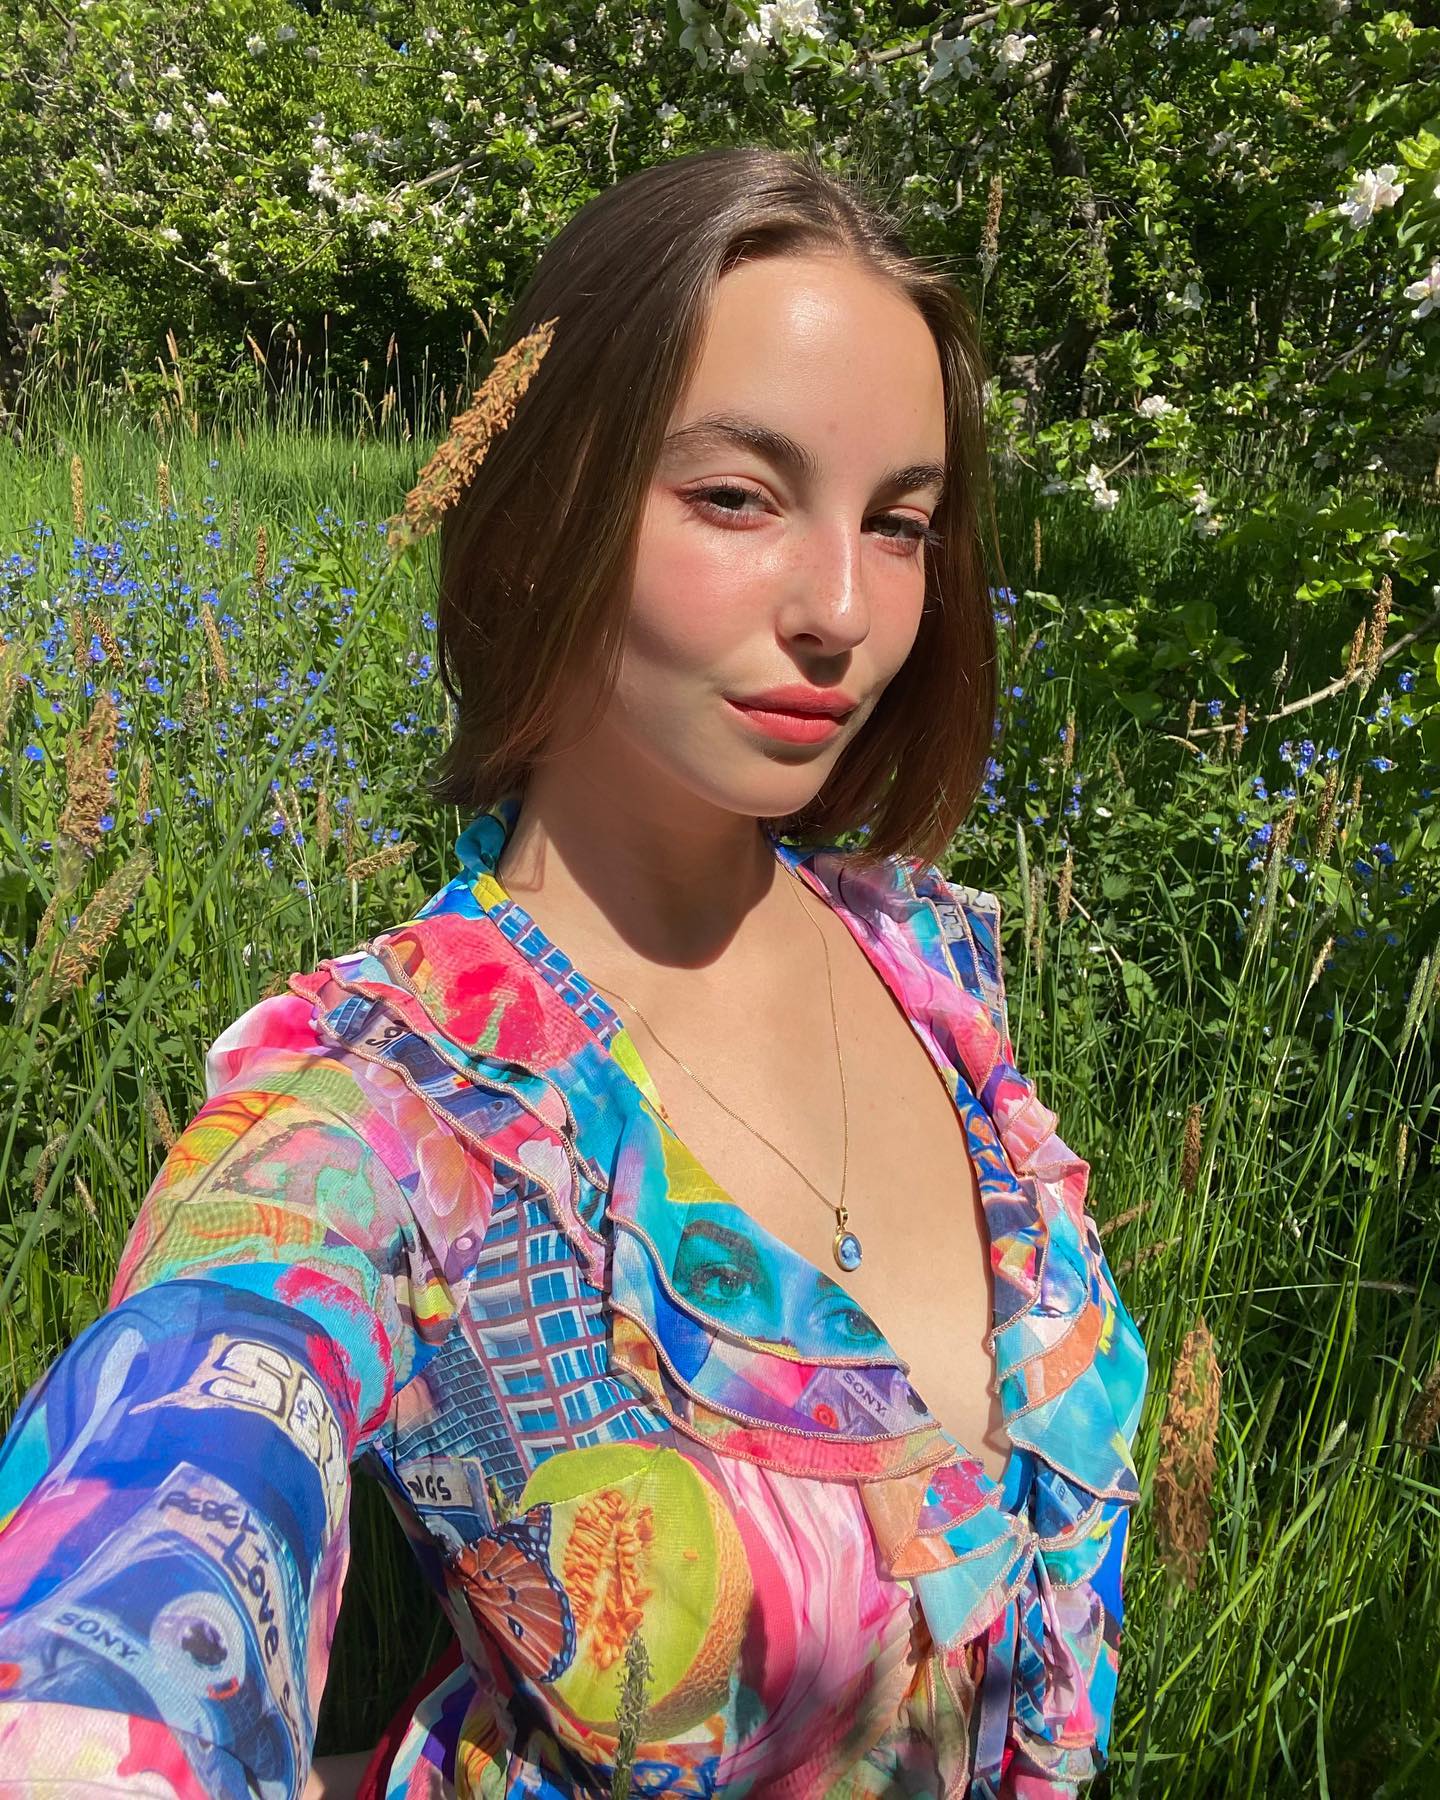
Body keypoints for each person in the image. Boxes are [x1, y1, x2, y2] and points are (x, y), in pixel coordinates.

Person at [0, 144, 1149, 1799]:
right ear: (547, 507)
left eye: (899, 523)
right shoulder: (381, 1119)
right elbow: (153, 1528)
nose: (844, 609)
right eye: (737, 498)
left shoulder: (928, 957)